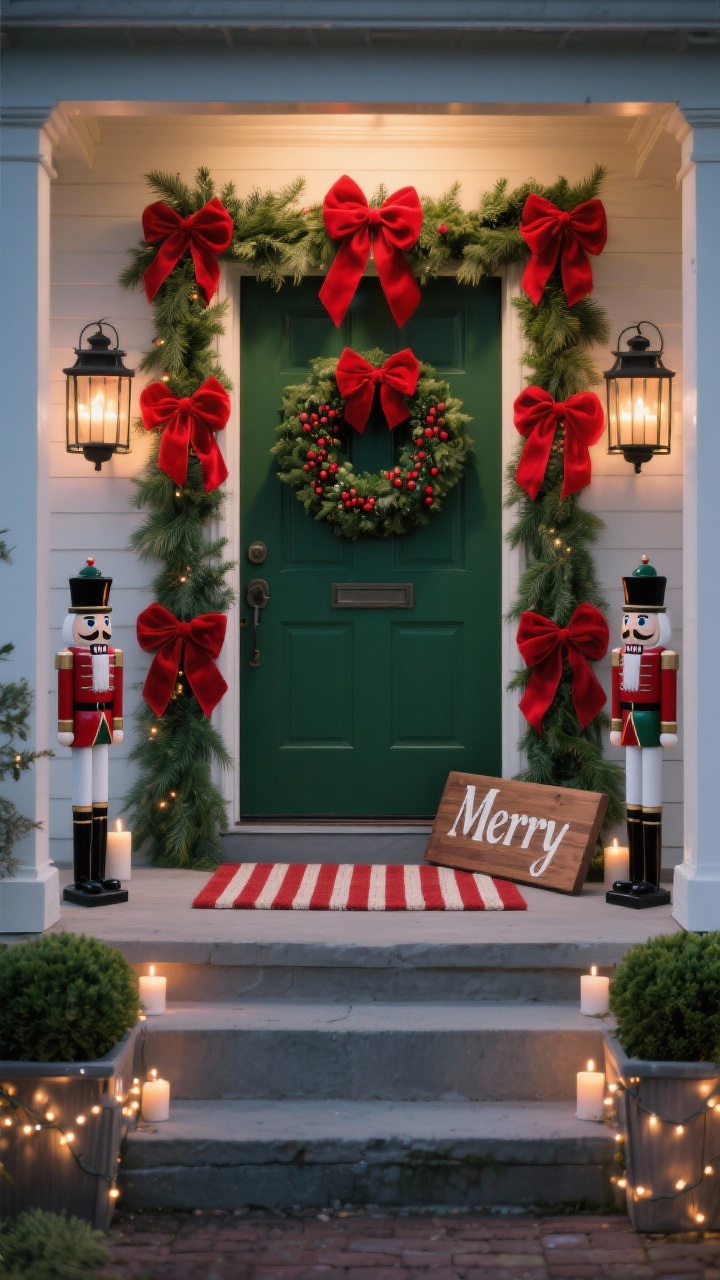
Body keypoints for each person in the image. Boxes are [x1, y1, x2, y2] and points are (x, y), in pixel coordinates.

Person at [56, 557, 125, 901]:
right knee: (82, 800)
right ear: (75, 622)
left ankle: (99, 874)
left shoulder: (113, 655)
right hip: (82, 726)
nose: (99, 627)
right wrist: (65, 727)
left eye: (103, 620)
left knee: (101, 799)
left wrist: (119, 724)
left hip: (104, 726)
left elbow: (118, 693)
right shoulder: (71, 657)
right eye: (91, 620)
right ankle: (82, 875)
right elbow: (66, 695)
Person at [610, 555, 678, 897]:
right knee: (633, 800)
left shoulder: (662, 657)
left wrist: (668, 727)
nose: (632, 627)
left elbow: (668, 695)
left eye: (640, 619)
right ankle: (635, 874)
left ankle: (650, 879)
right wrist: (614, 722)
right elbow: (615, 693)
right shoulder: (621, 655)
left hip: (651, 726)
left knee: (651, 801)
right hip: (628, 727)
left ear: (657, 621)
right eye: (628, 619)